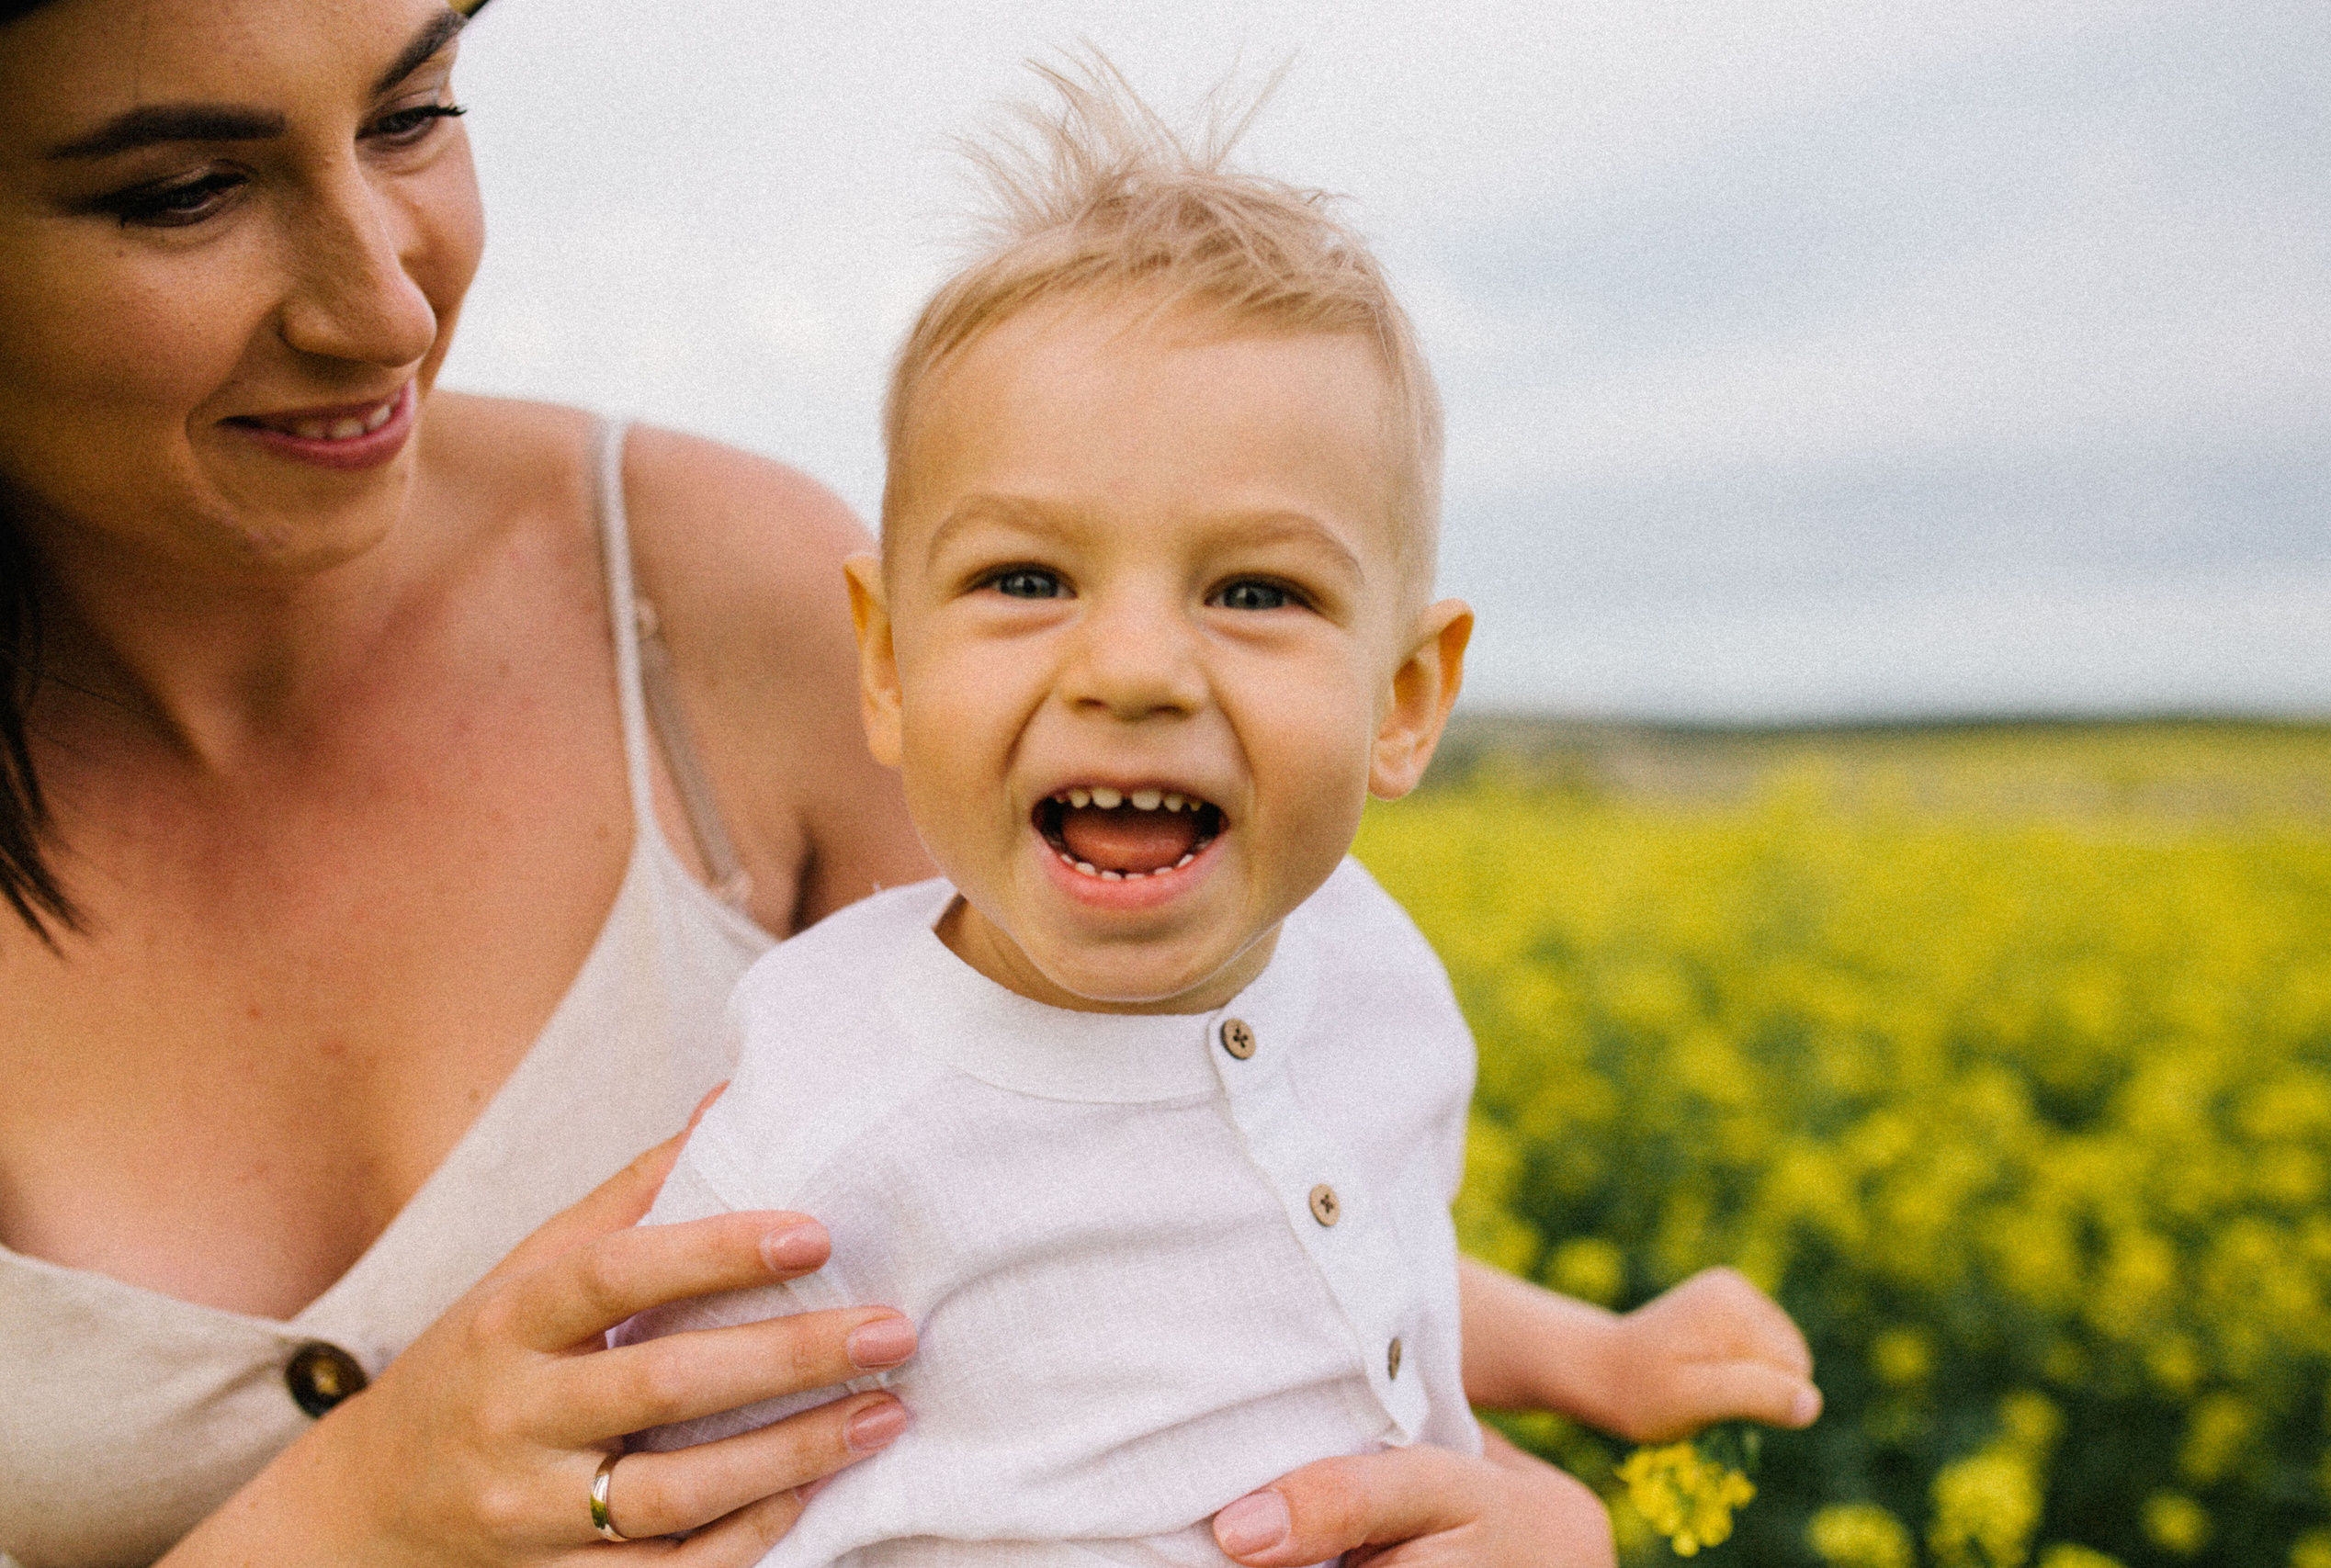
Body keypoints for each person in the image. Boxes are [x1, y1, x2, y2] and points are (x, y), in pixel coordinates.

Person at [0, 2, 1816, 1564]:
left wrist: (1554, 1451)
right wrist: (357, 1512)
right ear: (896, 654)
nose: (387, 304)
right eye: (182, 190)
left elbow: (1163, 1213)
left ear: (1411, 692)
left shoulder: (741, 611)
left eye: (414, 110)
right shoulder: (827, 1107)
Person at [609, 62, 1817, 1568]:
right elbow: (654, 1499)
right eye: (1027, 580)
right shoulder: (822, 1147)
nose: (1131, 669)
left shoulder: (1370, 968)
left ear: (1405, 699)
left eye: (1256, 592)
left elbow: (1348, 1258)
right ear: (886, 665)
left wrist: (1599, 1364)